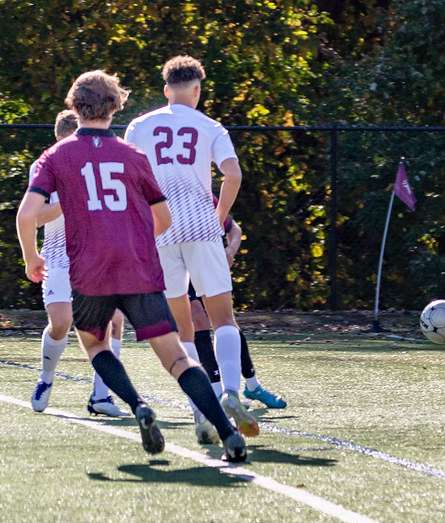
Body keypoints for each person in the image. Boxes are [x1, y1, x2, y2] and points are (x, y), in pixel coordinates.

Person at [15, 69, 246, 462]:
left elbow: (26, 215)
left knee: (95, 345)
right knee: (176, 357)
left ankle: (138, 404)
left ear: (74, 105)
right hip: (137, 267)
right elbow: (163, 219)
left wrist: (31, 257)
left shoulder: (56, 156)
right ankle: (228, 434)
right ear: (116, 106)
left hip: (90, 270)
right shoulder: (132, 155)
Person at [124, 55, 258, 443]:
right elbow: (233, 175)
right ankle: (231, 391)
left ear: (167, 90)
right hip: (201, 225)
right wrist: (220, 216)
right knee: (224, 319)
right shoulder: (210, 126)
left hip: (160, 229)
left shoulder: (141, 125)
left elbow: (129, 177)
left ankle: (203, 410)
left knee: (183, 330)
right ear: (197, 91)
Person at [26, 109, 129, 418]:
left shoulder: (96, 165)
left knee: (114, 321)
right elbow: (34, 216)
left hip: (95, 257)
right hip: (57, 257)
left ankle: (101, 395)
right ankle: (46, 378)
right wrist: (64, 202)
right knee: (61, 323)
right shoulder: (43, 167)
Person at [189, 210, 286, 412]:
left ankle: (252, 386)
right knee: (197, 318)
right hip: (178, 265)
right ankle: (217, 392)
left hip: (206, 262)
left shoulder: (201, 196)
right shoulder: (159, 191)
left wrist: (230, 250)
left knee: (227, 323)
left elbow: (234, 228)